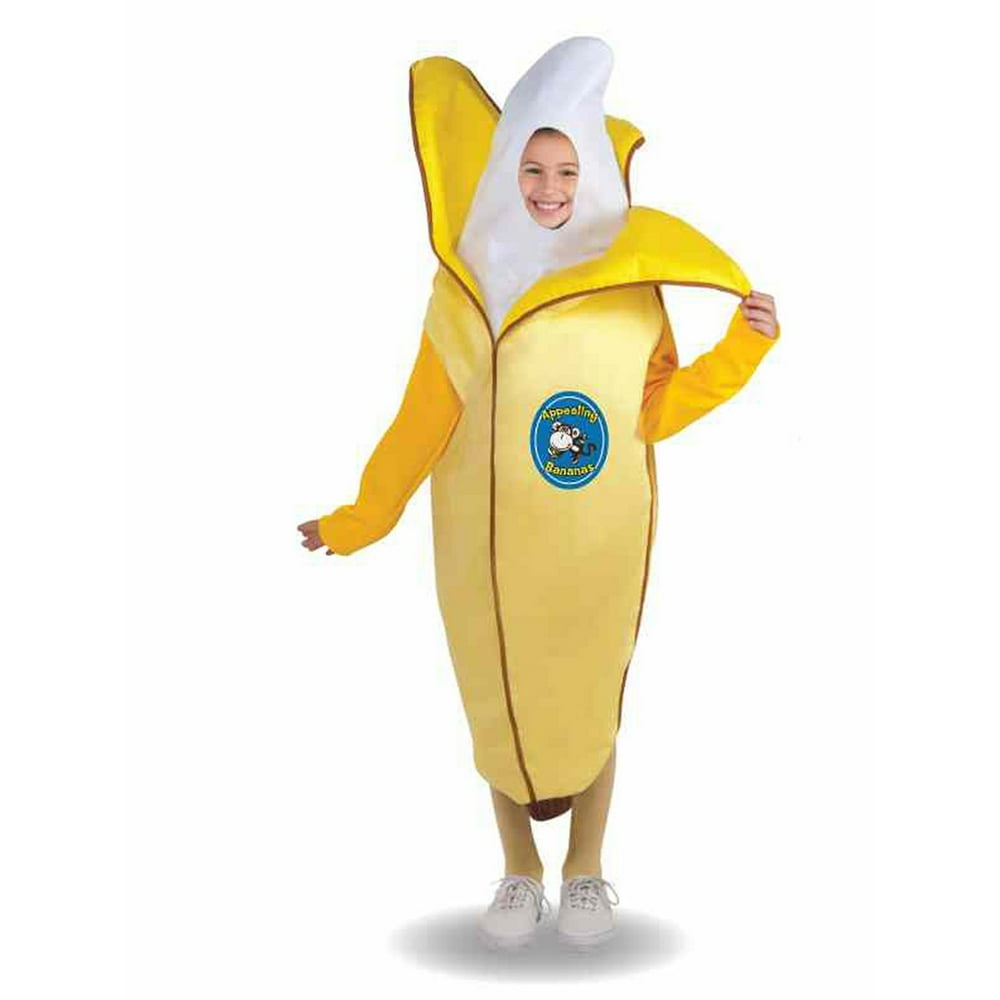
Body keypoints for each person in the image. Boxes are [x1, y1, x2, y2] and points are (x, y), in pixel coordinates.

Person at [298, 37, 779, 951]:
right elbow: (420, 423)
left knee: (587, 693)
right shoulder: (466, 290)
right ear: (504, 172)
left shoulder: (630, 288)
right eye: (531, 168)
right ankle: (520, 869)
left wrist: (742, 349)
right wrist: (360, 520)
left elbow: (656, 408)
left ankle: (585, 868)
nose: (549, 188)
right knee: (500, 694)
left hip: (596, 537)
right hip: (484, 543)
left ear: (589, 170)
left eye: (565, 170)